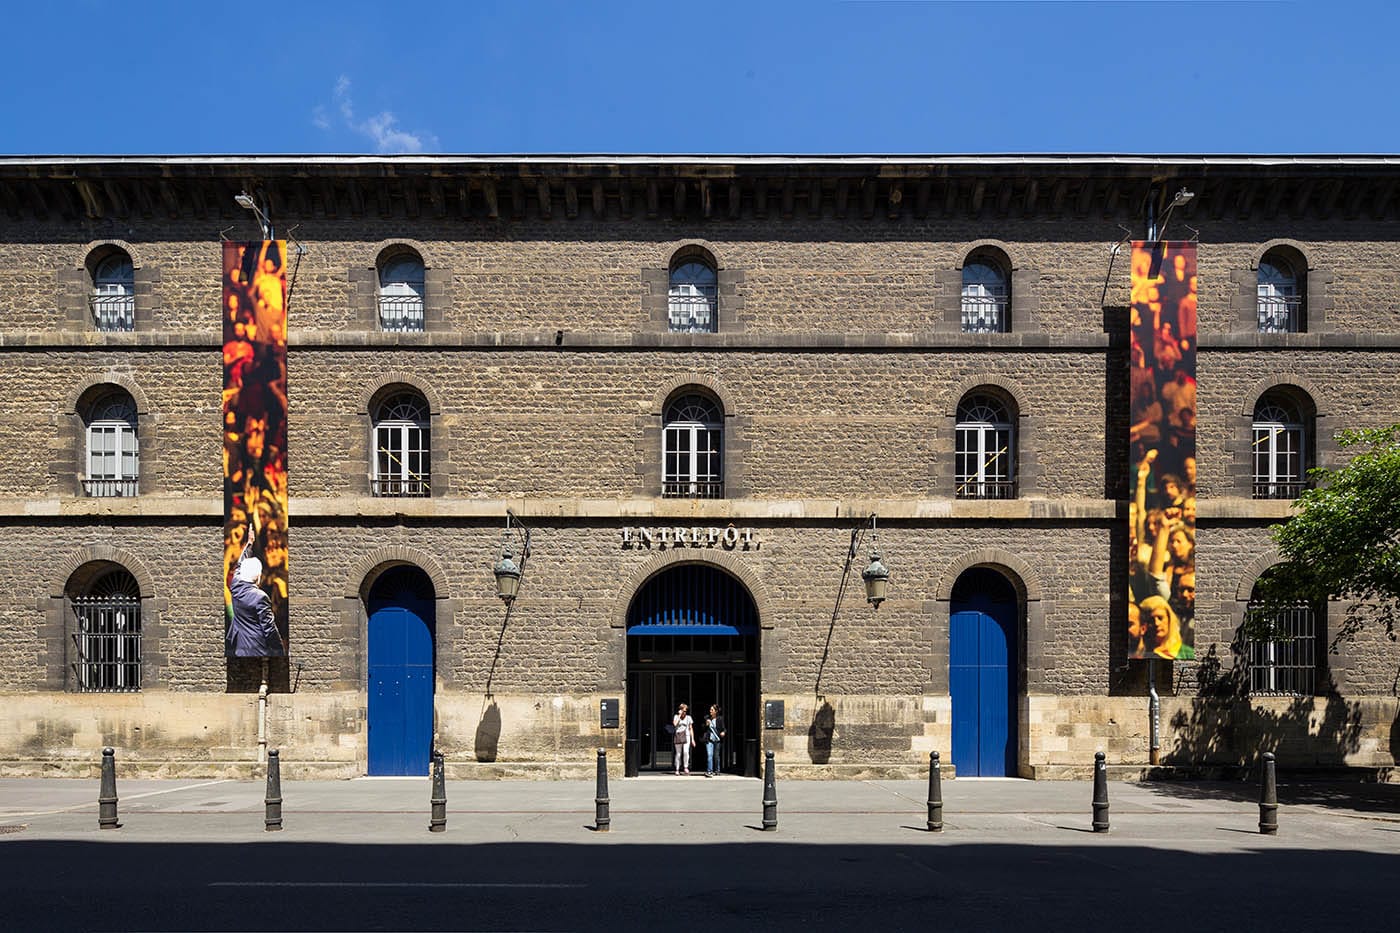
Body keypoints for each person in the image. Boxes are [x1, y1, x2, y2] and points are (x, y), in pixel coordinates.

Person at [227, 525, 286, 658]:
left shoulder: (235, 584)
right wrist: (280, 651)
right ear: (259, 577)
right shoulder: (260, 597)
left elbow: (240, 564)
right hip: (258, 650)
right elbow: (269, 628)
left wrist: (249, 543)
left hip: (240, 648)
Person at [1140, 595, 1193, 661]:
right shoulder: (1140, 653)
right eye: (1150, 620)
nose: (1156, 623)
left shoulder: (1187, 653)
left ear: (1169, 619)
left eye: (1160, 618)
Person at [672, 703, 694, 775]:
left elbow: (691, 729)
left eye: (685, 711)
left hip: (686, 736)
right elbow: (675, 724)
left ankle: (685, 767)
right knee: (678, 754)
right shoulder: (676, 716)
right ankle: (677, 768)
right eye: (683, 710)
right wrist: (679, 715)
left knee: (686, 752)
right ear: (680, 710)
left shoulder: (689, 718)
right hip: (678, 736)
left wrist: (692, 739)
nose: (684, 712)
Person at [704, 704, 726, 777]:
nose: (710, 711)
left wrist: (723, 732)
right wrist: (706, 725)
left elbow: (724, 729)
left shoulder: (720, 719)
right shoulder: (708, 718)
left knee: (716, 756)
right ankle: (709, 771)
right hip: (709, 740)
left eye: (712, 710)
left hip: (717, 740)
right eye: (710, 710)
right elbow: (703, 729)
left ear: (716, 711)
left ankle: (717, 770)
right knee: (709, 755)